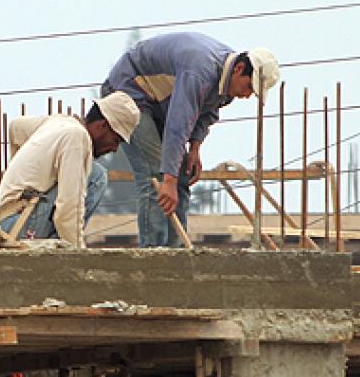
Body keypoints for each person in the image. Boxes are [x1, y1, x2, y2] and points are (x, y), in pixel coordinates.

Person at [100, 32, 279, 247]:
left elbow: (207, 113)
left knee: (181, 173)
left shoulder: (227, 80)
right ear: (240, 69)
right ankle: (153, 255)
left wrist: (194, 149)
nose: (248, 95)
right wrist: (168, 181)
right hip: (129, 93)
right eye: (249, 87)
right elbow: (178, 124)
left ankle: (176, 253)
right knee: (155, 176)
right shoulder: (200, 71)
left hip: (158, 105)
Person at [0, 92, 140, 247]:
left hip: (6, 222)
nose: (115, 149)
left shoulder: (59, 122)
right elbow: (69, 207)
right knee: (97, 175)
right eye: (116, 140)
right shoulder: (77, 137)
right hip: (21, 225)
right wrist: (76, 254)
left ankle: (56, 245)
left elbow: (16, 127)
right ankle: (60, 251)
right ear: (102, 125)